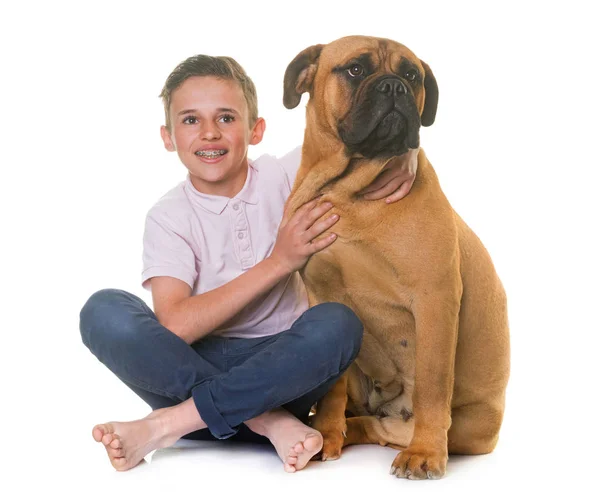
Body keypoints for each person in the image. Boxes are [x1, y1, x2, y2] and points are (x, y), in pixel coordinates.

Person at [79, 54, 418, 474]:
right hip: (190, 376)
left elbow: (368, 136)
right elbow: (176, 326)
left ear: (256, 129)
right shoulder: (168, 217)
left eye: (226, 118)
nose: (209, 133)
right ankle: (266, 422)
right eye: (190, 120)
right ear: (168, 137)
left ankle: (169, 425)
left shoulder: (284, 174)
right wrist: (279, 262)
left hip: (283, 373)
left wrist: (408, 156)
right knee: (103, 311)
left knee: (339, 324)